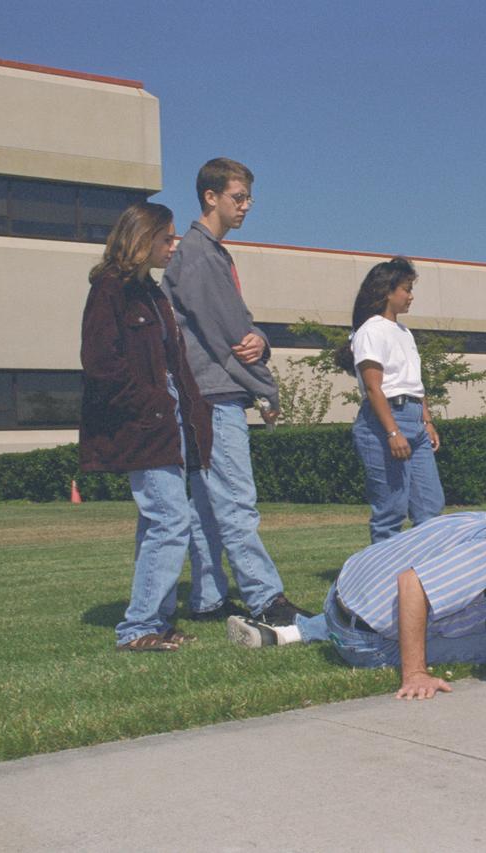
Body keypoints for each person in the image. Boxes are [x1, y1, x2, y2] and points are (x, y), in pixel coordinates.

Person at [227, 491, 486, 700]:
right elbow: (413, 585)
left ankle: (292, 632)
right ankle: (351, 641)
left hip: (342, 597)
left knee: (469, 600)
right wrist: (415, 673)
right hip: (369, 643)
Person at [161, 157, 309, 629]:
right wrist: (268, 391)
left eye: (248, 198)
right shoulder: (202, 256)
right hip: (216, 397)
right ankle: (266, 599)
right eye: (238, 197)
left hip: (203, 394)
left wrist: (260, 338)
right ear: (211, 197)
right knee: (236, 502)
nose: (246, 207)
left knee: (206, 505)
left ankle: (207, 599)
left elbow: (238, 331)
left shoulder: (202, 254)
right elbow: (229, 336)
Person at [79, 202, 213, 651]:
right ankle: (138, 628)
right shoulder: (110, 289)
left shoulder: (152, 294)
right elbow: (101, 364)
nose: (173, 246)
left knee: (159, 522)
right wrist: (150, 403)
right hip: (144, 424)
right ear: (142, 238)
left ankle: (155, 620)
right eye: (166, 238)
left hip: (168, 422)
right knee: (171, 520)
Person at [332, 257, 445, 542]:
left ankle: (423, 577)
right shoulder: (370, 331)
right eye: (406, 289)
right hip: (383, 423)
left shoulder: (405, 333)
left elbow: (415, 384)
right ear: (387, 292)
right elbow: (374, 388)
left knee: (430, 507)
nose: (411, 296)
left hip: (415, 421)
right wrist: (392, 432)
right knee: (390, 511)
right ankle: (381, 579)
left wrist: (427, 421)